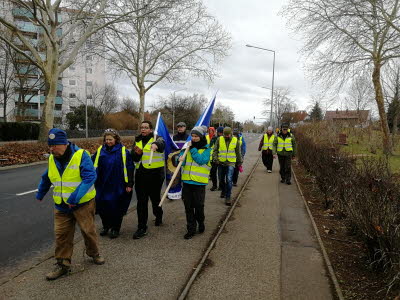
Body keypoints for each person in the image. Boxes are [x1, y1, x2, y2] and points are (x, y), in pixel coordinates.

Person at [36, 128, 104, 281]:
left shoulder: (81, 155)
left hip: (82, 204)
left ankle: (94, 253)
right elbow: (47, 176)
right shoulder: (52, 158)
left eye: (55, 145)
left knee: (88, 231)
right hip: (61, 205)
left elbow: (90, 177)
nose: (51, 149)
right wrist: (41, 192)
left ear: (64, 143)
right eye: (50, 146)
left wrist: (74, 198)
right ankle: (63, 265)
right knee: (62, 236)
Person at [92, 129, 134, 239]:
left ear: (116, 139)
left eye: (110, 139)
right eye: (106, 140)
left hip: (118, 184)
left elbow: (130, 167)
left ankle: (115, 228)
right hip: (102, 184)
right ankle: (106, 226)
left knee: (116, 207)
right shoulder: (100, 150)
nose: (108, 141)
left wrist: (130, 183)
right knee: (102, 207)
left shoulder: (123, 151)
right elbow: (92, 163)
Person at [131, 121, 166, 239]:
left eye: (146, 128)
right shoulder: (137, 140)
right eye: (141, 127)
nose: (143, 129)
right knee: (141, 202)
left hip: (155, 175)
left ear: (151, 129)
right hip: (141, 175)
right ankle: (142, 227)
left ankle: (158, 215)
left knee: (155, 199)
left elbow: (162, 144)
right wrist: (136, 154)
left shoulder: (157, 138)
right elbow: (134, 157)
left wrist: (156, 145)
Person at [179, 126, 211, 239]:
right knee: (188, 207)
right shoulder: (187, 147)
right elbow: (182, 162)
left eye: (196, 136)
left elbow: (201, 160)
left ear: (201, 137)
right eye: (192, 136)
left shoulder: (207, 149)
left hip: (199, 184)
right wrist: (180, 158)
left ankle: (200, 222)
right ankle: (191, 229)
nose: (194, 138)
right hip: (187, 182)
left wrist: (192, 149)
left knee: (198, 207)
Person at [212, 127, 242, 206]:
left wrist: (239, 162)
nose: (226, 136)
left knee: (229, 179)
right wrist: (215, 159)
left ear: (231, 133)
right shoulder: (219, 139)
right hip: (221, 162)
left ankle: (228, 197)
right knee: (221, 179)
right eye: (225, 135)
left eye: (228, 135)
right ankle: (224, 190)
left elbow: (238, 152)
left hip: (231, 163)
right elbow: (215, 150)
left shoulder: (236, 140)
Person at [209, 126, 224, 191]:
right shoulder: (214, 138)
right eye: (219, 132)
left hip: (221, 158)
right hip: (214, 158)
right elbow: (210, 145)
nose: (220, 133)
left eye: (221, 132)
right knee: (213, 172)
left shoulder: (224, 138)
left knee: (221, 174)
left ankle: (220, 186)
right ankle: (214, 185)